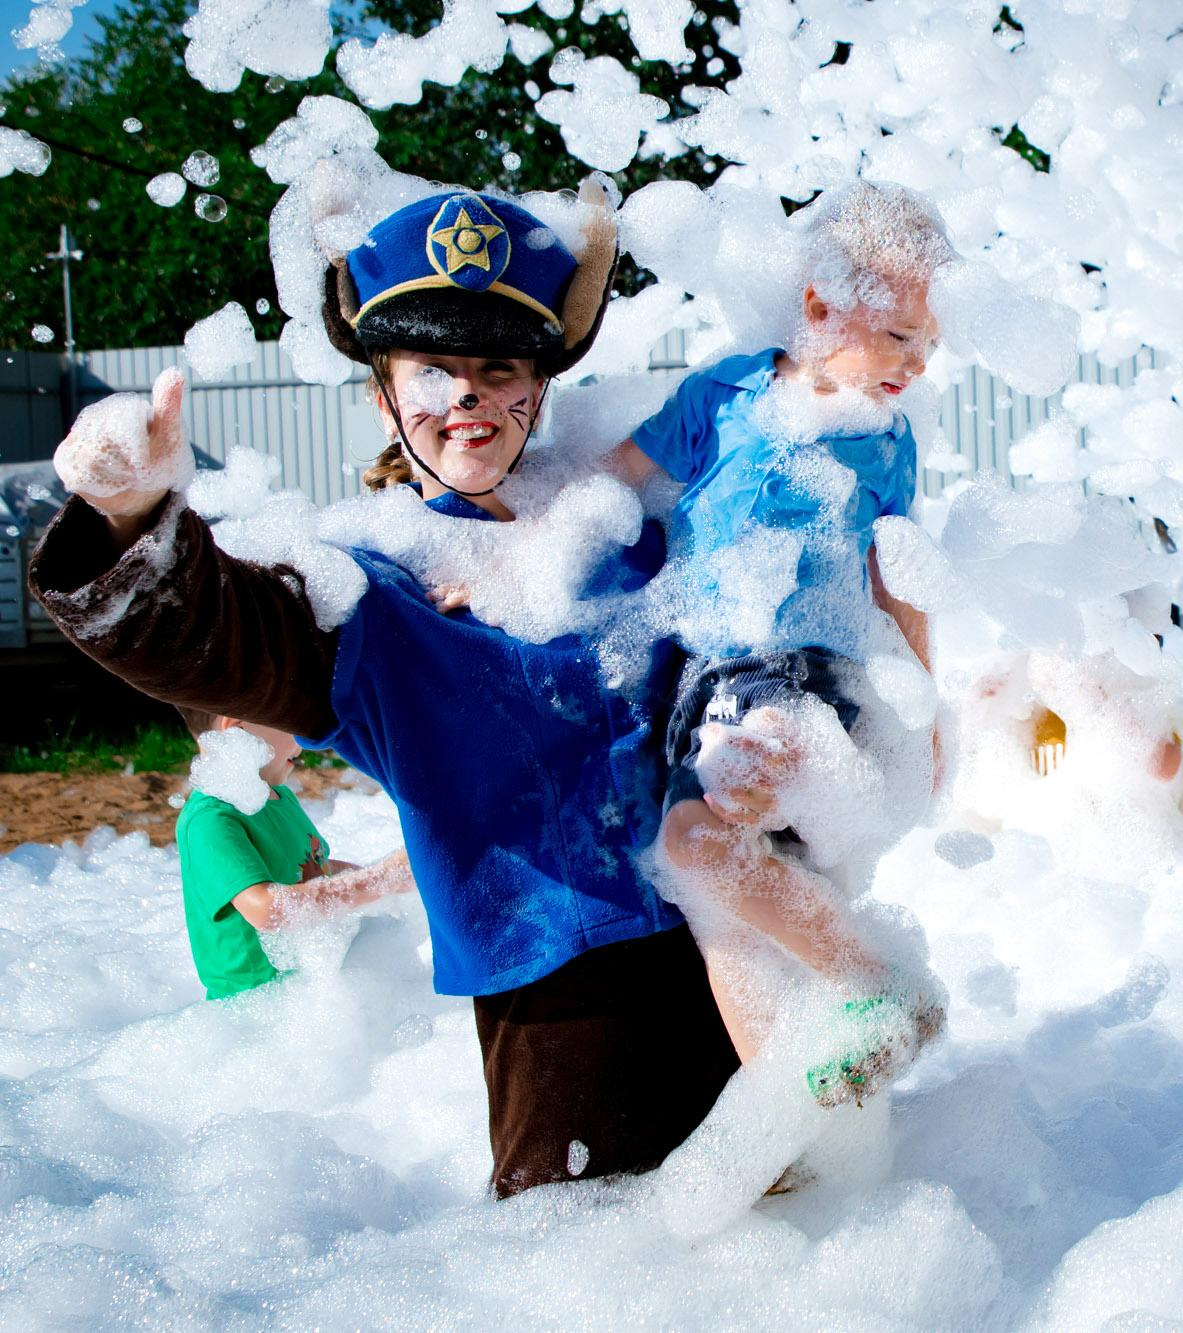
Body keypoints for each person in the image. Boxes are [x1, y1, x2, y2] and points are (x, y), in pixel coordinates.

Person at [30, 178, 752, 1198]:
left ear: (534, 389)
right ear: (382, 394)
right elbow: (222, 639)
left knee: (790, 1236)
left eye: (496, 366)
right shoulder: (369, 585)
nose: (465, 398)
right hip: (556, 993)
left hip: (729, 932)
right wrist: (127, 520)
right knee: (601, 1274)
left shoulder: (622, 527)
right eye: (431, 370)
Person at [602, 182, 951, 1107]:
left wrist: (923, 703)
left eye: (929, 340)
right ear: (815, 306)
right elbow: (611, 482)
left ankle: (881, 980)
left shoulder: (888, 442)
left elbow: (898, 575)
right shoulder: (723, 397)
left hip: (810, 675)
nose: (918, 362)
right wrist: (516, 542)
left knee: (711, 833)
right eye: (900, 336)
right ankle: (786, 1110)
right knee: (709, 884)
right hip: (708, 681)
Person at [172, 706, 412, 1000]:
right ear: (236, 729)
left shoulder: (278, 796)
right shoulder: (209, 821)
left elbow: (312, 869)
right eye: (291, 722)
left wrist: (385, 878)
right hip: (257, 1012)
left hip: (310, 992)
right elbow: (266, 910)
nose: (306, 739)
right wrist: (379, 880)